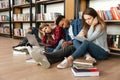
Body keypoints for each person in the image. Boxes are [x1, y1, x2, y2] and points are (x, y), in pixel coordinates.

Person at [30, 7, 110, 69]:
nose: (87, 21)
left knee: (82, 42)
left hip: (103, 53)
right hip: (93, 51)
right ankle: (49, 58)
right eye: (85, 19)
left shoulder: (100, 26)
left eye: (89, 19)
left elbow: (89, 39)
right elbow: (88, 37)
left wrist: (92, 26)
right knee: (71, 47)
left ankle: (69, 60)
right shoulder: (89, 26)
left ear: (95, 17)